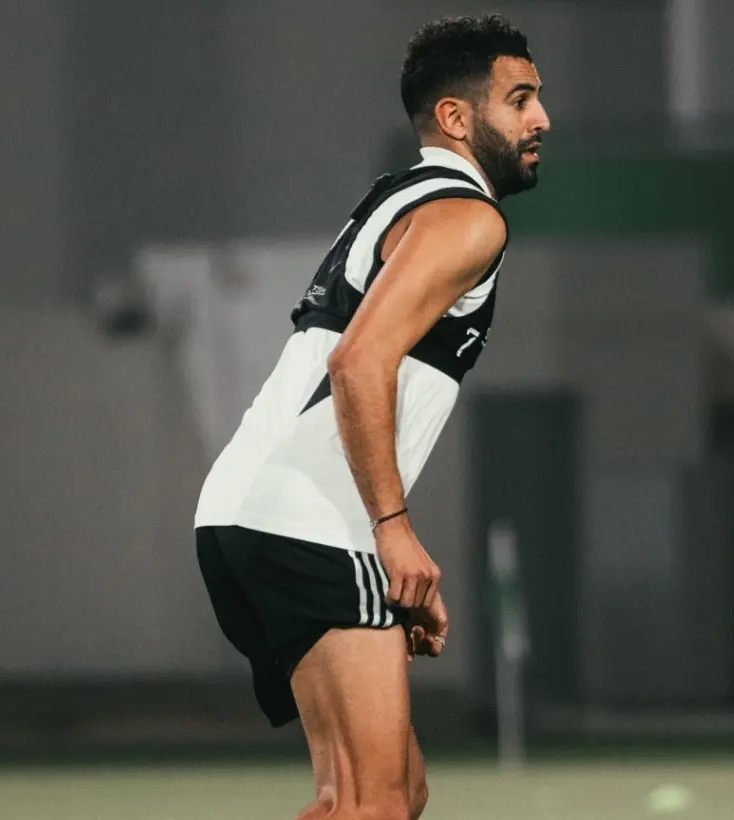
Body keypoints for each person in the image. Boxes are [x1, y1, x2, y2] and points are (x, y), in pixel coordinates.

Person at [193, 12, 549, 820]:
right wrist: (391, 530)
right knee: (377, 805)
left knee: (383, 795)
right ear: (456, 117)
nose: (542, 119)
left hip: (246, 515)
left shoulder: (399, 198)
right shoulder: (468, 219)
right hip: (313, 523)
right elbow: (357, 363)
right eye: (520, 99)